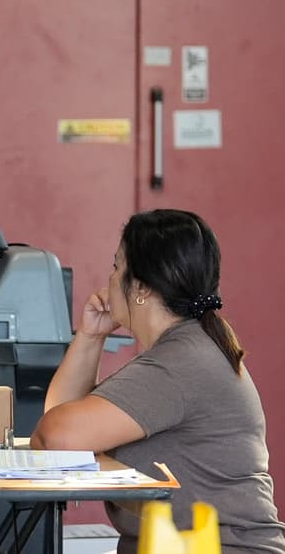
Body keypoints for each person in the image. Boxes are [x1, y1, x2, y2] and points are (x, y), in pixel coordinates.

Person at [31, 209, 285, 553]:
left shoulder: (183, 363)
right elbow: (60, 425)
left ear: (142, 288)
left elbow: (57, 437)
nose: (110, 279)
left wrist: (73, 442)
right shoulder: (187, 348)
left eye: (116, 266)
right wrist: (90, 336)